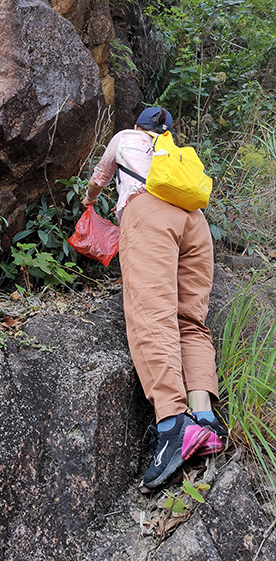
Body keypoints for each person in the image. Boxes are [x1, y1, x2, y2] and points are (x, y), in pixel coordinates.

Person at [82, 106, 227, 489]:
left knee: (152, 316)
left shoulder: (124, 139)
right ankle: (205, 421)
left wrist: (88, 200)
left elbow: (99, 179)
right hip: (195, 223)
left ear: (137, 126)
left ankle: (174, 426)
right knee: (190, 323)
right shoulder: (170, 152)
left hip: (149, 214)